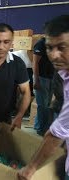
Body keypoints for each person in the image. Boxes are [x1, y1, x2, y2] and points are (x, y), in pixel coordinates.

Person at [17, 15, 69, 180]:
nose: (54, 55)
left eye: (62, 47)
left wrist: (30, 168)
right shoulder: (64, 72)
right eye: (50, 48)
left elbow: (56, 134)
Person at [32, 36, 55, 135]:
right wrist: (36, 80)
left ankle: (39, 125)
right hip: (41, 78)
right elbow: (35, 63)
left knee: (47, 104)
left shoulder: (53, 44)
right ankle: (41, 129)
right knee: (42, 104)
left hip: (51, 78)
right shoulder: (41, 44)